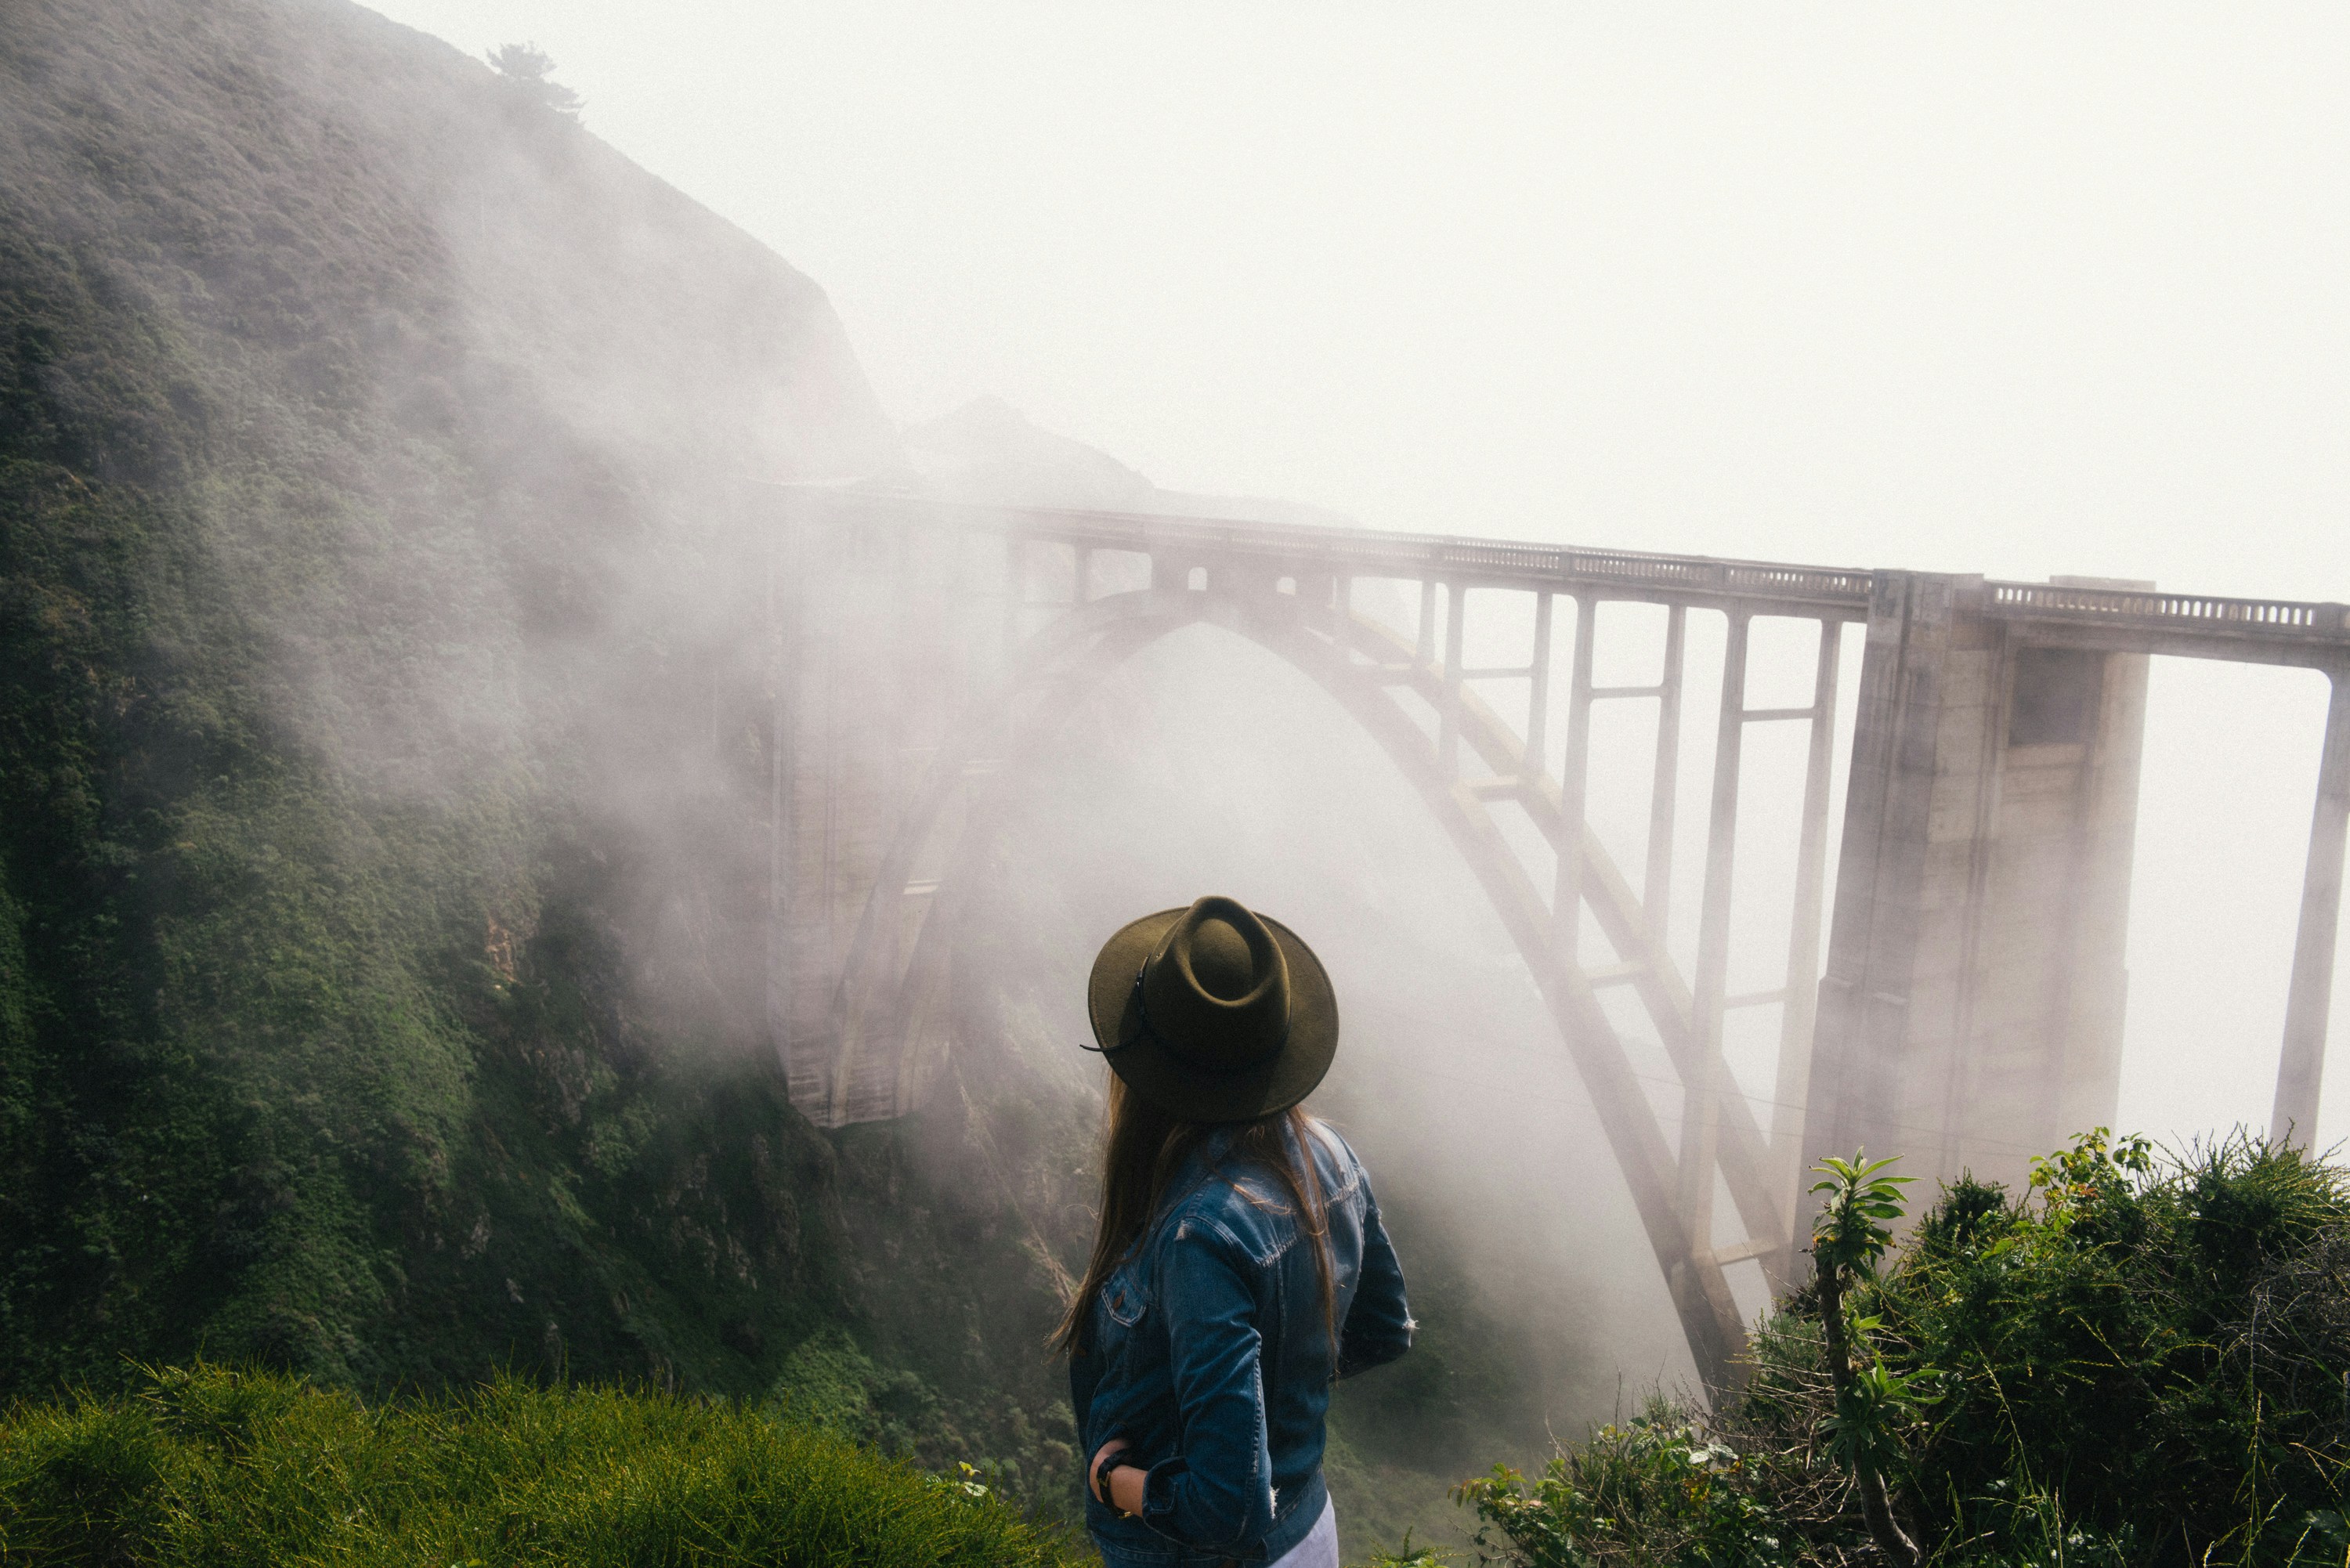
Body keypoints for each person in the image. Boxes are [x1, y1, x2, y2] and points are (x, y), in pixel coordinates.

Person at [1054, 895, 1413, 1567]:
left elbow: (1227, 1509)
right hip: (1308, 1532)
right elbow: (1384, 1330)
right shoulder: (1332, 1155)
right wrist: (1282, 1395)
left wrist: (1115, 1482)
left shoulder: (1199, 1238)